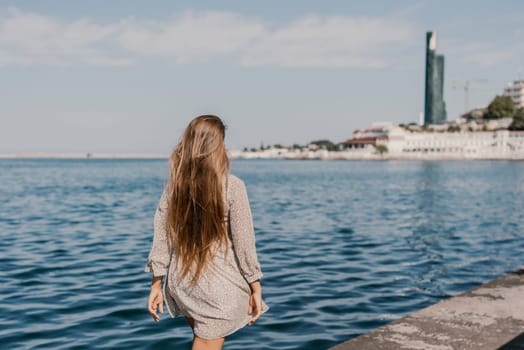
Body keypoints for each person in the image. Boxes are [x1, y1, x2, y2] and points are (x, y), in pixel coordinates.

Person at [144, 115, 268, 350]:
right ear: (218, 147)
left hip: (181, 283)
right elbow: (244, 246)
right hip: (217, 286)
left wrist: (156, 284)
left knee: (203, 339)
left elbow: (162, 239)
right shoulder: (233, 186)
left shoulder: (175, 188)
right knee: (206, 342)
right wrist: (256, 287)